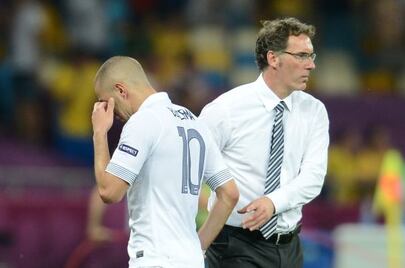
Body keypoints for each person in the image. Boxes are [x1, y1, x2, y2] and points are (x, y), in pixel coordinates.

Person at [200, 17, 330, 267]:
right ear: (273, 59)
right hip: (234, 244)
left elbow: (314, 177)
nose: (311, 65)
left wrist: (274, 202)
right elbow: (190, 169)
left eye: (312, 56)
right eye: (302, 56)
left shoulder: (314, 111)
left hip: (290, 247)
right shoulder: (225, 109)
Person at [91, 56, 239, 268]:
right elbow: (229, 194)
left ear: (121, 90)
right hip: (191, 260)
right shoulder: (195, 122)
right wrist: (198, 247)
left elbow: (109, 192)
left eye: (106, 103)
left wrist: (99, 134)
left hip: (156, 259)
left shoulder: (143, 122)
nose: (111, 114)